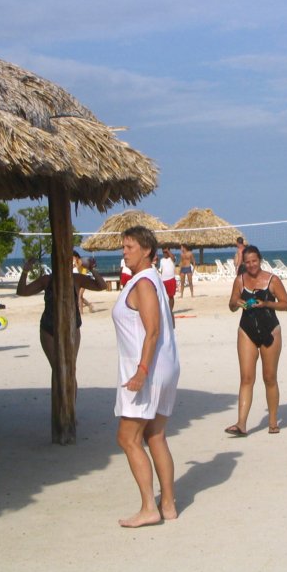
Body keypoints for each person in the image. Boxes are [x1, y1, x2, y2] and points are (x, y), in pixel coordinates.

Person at [112, 226, 180, 528]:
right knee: (155, 435)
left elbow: (152, 330)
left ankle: (148, 507)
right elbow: (168, 324)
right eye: (124, 247)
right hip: (163, 366)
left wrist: (141, 371)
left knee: (128, 438)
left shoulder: (142, 283)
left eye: (129, 247)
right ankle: (167, 505)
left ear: (147, 251)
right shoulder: (152, 280)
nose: (124, 252)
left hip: (147, 370)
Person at [17, 252, 107, 403]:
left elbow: (101, 286)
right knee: (58, 369)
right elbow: (22, 291)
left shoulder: (76, 279)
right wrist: (25, 271)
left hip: (73, 327)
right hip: (49, 327)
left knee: (70, 369)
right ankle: (59, 407)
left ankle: (70, 408)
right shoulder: (47, 280)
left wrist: (91, 269)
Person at [225, 245, 287, 436]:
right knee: (246, 378)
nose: (251, 265)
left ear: (259, 260)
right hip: (247, 330)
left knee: (269, 377)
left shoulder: (272, 279)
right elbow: (231, 305)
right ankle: (241, 423)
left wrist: (267, 303)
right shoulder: (239, 280)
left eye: (254, 261)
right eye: (247, 262)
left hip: (270, 330)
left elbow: (286, 305)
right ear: (243, 263)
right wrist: (236, 303)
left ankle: (272, 422)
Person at [159, 247, 177, 314]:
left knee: (171, 296)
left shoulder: (172, 258)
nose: (165, 254)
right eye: (164, 252)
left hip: (171, 279)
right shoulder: (161, 260)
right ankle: (165, 310)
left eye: (166, 252)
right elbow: (161, 270)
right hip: (163, 280)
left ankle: (170, 310)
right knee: (164, 297)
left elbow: (174, 259)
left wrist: (168, 251)